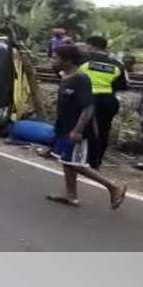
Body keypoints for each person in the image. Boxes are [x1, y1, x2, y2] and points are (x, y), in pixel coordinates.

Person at [47, 45, 127, 209]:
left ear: (67, 61)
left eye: (55, 57)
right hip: (64, 127)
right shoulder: (66, 76)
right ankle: (70, 195)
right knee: (66, 161)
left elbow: (88, 107)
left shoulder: (80, 79)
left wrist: (78, 130)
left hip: (77, 129)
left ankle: (113, 187)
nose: (52, 60)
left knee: (77, 164)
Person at [79, 35, 128, 168]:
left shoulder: (82, 59)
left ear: (91, 46)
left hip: (85, 99)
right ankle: (96, 161)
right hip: (107, 101)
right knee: (103, 131)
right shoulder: (117, 64)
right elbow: (123, 85)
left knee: (80, 128)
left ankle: (80, 158)